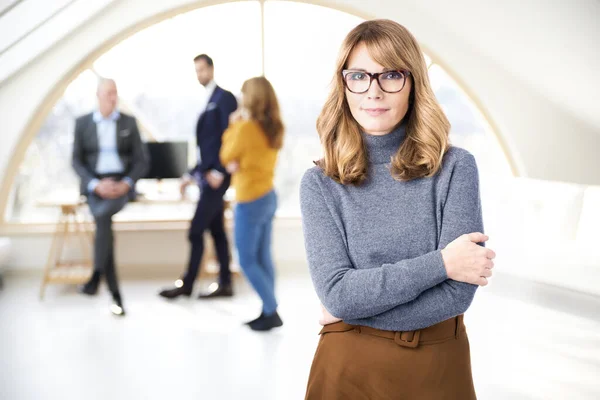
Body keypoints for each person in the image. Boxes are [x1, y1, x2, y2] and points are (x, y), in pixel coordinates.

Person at [299, 20, 496, 399]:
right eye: (358, 76)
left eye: (389, 75)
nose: (373, 91)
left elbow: (457, 295)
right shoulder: (320, 183)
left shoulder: (455, 167)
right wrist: (441, 263)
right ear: (344, 86)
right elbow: (338, 294)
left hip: (437, 367)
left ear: (413, 83)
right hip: (346, 369)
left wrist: (353, 310)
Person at [159, 54, 238, 299]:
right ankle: (225, 283)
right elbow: (207, 146)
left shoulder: (224, 98)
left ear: (212, 69)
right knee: (216, 232)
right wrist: (190, 174)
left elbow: (231, 137)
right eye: (196, 71)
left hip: (217, 179)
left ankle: (188, 283)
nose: (199, 75)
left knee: (195, 231)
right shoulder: (207, 100)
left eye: (202, 69)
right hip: (206, 177)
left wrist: (220, 171)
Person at [72, 78, 149, 316]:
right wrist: (95, 185)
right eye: (108, 93)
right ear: (98, 95)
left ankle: (96, 276)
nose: (112, 98)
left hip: (120, 185)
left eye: (115, 93)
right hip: (96, 186)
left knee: (103, 218)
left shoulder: (128, 122)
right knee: (104, 224)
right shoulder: (83, 123)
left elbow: (142, 160)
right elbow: (76, 161)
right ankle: (115, 296)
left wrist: (126, 184)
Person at [220, 76, 284, 331]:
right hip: (268, 195)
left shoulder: (245, 128)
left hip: (249, 200)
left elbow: (226, 155)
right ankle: (268, 310)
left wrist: (231, 125)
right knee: (263, 256)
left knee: (246, 260)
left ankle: (271, 308)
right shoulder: (275, 127)